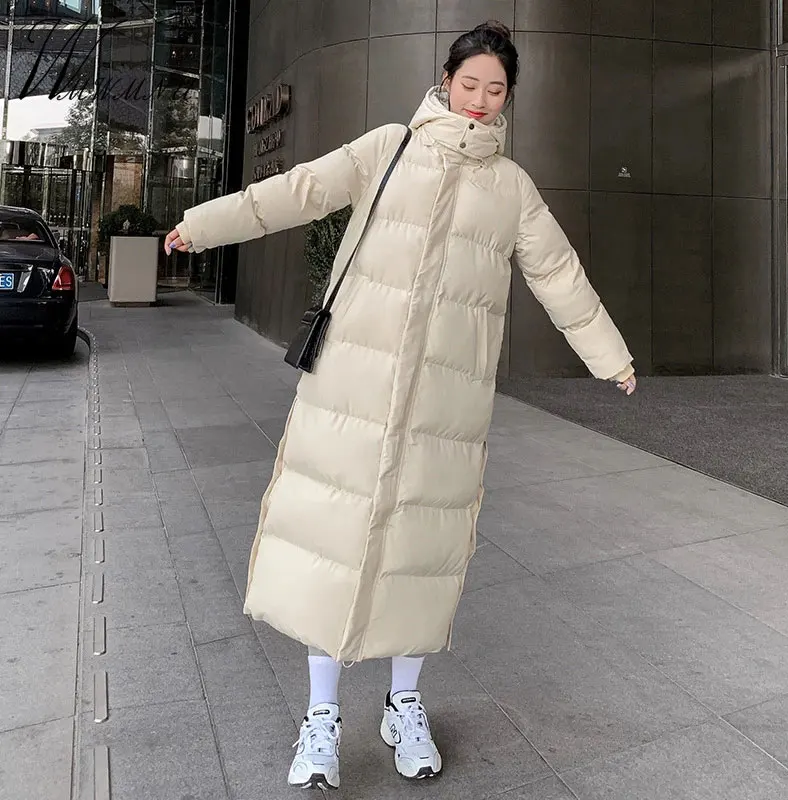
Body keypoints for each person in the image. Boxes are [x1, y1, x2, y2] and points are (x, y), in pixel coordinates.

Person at [164, 20, 637, 791]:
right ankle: (321, 718)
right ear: (445, 79)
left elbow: (558, 274)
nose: (480, 99)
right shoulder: (389, 148)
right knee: (328, 544)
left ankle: (403, 704)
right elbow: (297, 191)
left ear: (508, 96)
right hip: (350, 389)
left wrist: (609, 355)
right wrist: (201, 225)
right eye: (470, 83)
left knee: (421, 556)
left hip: (444, 409)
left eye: (495, 89)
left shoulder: (512, 190)